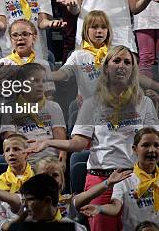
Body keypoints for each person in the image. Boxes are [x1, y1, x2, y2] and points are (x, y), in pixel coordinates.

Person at [27, 45, 159, 231]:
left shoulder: (144, 103)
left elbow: (153, 143)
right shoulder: (91, 104)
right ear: (106, 67)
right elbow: (79, 143)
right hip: (101, 181)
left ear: (133, 70)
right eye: (116, 61)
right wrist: (48, 141)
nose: (122, 65)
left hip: (136, 180)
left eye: (127, 62)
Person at [81, 127, 159, 229]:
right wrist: (100, 208)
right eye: (145, 145)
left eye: (156, 145)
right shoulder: (124, 179)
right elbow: (115, 207)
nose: (152, 150)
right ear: (135, 149)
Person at [0, 64, 66, 163]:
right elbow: (11, 142)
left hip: (50, 162)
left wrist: (62, 159)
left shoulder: (53, 107)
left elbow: (60, 139)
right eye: (35, 81)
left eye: (43, 81)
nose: (41, 85)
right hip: (24, 163)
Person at [2, 174, 87, 230]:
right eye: (24, 201)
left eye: (30, 200)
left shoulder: (74, 228)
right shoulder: (22, 226)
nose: (25, 205)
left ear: (47, 200)